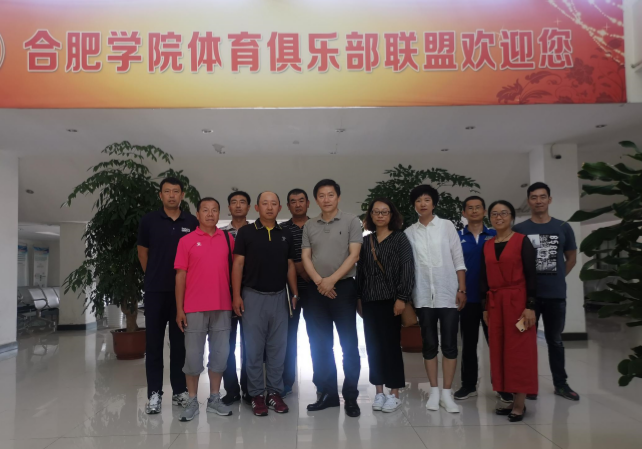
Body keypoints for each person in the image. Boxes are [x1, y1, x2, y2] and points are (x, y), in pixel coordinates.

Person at [232, 191, 299, 417]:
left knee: (277, 348)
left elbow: (290, 265)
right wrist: (236, 295)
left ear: (280, 208)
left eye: (273, 204)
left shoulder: (285, 233)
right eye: (265, 203)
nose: (269, 207)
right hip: (252, 296)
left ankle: (274, 392)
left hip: (279, 296)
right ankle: (256, 395)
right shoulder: (246, 232)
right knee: (253, 349)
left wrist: (295, 293)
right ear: (257, 208)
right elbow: (237, 265)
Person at [302, 179, 363, 418]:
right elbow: (306, 257)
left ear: (338, 197)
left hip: (344, 289)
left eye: (330, 195)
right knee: (319, 344)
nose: (326, 199)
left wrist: (331, 280)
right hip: (316, 291)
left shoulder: (351, 221)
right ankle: (327, 394)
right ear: (316, 199)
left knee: (349, 345)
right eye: (321, 195)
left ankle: (351, 395)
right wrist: (320, 281)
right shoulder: (310, 225)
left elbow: (354, 255)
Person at [137, 177, 198, 414]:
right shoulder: (149, 220)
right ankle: (154, 393)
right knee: (153, 344)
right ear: (160, 195)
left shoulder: (191, 221)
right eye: (167, 191)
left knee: (179, 344)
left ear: (182, 195)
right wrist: (154, 276)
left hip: (183, 294)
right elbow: (143, 253)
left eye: (176, 191)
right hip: (155, 292)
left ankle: (179, 390)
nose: (172, 195)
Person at [513, 182, 579, 401]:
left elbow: (571, 258)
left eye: (543, 197)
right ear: (529, 201)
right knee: (525, 341)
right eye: (534, 197)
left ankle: (561, 384)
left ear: (549, 200)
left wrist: (557, 277)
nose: (538, 201)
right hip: (527, 298)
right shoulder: (520, 230)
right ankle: (528, 385)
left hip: (555, 296)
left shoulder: (563, 227)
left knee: (555, 341)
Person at [404, 184, 466, 414]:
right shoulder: (409, 232)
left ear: (434, 203)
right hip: (422, 296)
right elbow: (408, 267)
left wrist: (462, 289)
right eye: (418, 200)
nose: (423, 204)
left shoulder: (446, 226)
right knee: (429, 344)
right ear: (414, 205)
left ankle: (447, 393)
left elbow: (458, 258)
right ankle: (434, 391)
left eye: (427, 200)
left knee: (449, 344)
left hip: (448, 294)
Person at [174, 197, 235, 421]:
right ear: (197, 215)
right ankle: (192, 400)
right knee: (193, 357)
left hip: (222, 306)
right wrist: (180, 309)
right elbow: (180, 276)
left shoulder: (228, 239)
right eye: (205, 210)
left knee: (220, 355)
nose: (210, 214)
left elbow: (235, 271)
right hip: (194, 308)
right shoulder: (186, 241)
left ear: (219, 214)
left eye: (214, 210)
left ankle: (214, 398)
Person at [481, 200, 538, 422]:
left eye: (504, 213)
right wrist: (485, 307)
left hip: (518, 302)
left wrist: (530, 306)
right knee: (499, 350)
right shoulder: (487, 245)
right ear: (490, 218)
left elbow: (532, 275)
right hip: (495, 303)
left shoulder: (522, 241)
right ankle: (509, 398)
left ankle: (520, 403)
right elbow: (484, 278)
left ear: (512, 217)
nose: (499, 217)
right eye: (495, 214)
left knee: (519, 351)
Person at [357, 198, 415, 413]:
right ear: (370, 215)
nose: (380, 215)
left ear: (392, 215)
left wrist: (402, 298)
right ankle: (379, 392)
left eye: (385, 212)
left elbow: (407, 269)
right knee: (373, 347)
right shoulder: (366, 241)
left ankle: (394, 394)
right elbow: (360, 273)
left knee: (391, 348)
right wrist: (358, 299)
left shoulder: (400, 238)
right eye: (376, 212)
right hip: (370, 301)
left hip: (392, 302)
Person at [455, 197, 514, 403]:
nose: (474, 211)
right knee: (468, 344)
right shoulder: (457, 237)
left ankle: (502, 386)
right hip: (467, 298)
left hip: (492, 299)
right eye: (469, 208)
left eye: (478, 207)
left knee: (496, 344)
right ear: (464, 213)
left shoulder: (496, 235)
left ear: (484, 211)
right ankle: (468, 385)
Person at [280, 188, 315, 397]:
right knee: (287, 338)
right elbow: (280, 258)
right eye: (293, 201)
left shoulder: (317, 226)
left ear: (308, 203)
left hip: (316, 290)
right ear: (288, 206)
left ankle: (322, 382)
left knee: (317, 337)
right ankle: (286, 382)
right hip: (288, 293)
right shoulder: (282, 229)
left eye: (301, 200)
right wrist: (301, 269)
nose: (298, 204)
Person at [220, 191, 252, 406]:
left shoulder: (256, 232)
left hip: (251, 294)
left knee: (251, 345)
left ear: (249, 207)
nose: (238, 205)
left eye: (242, 202)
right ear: (229, 208)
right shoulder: (220, 234)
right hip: (225, 295)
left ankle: (250, 388)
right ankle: (231, 389)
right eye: (234, 202)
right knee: (226, 345)